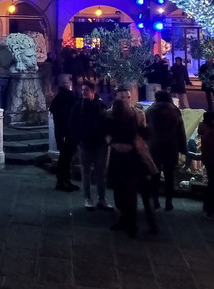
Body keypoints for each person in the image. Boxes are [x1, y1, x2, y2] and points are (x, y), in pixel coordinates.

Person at [106, 99, 146, 238]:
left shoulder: (123, 120)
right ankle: (127, 221)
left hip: (122, 160)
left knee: (124, 192)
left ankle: (128, 222)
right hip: (128, 159)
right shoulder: (128, 120)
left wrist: (114, 144)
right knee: (127, 193)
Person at [70, 82, 110, 211]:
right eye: (82, 90)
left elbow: (106, 122)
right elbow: (72, 124)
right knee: (86, 172)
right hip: (85, 144)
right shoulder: (78, 106)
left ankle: (101, 199)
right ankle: (88, 198)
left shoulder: (100, 105)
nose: (83, 92)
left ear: (93, 91)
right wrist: (79, 139)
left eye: (86, 90)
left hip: (99, 144)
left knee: (100, 173)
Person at [146, 90, 187, 211]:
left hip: (154, 146)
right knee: (169, 175)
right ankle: (169, 201)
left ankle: (155, 200)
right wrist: (182, 147)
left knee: (155, 174)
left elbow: (144, 127)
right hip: (171, 146)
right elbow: (181, 131)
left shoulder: (150, 111)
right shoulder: (174, 111)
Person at [49, 83, 78, 192]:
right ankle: (63, 182)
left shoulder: (57, 100)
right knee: (66, 159)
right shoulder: (69, 99)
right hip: (68, 133)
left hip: (61, 133)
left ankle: (63, 181)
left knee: (64, 158)